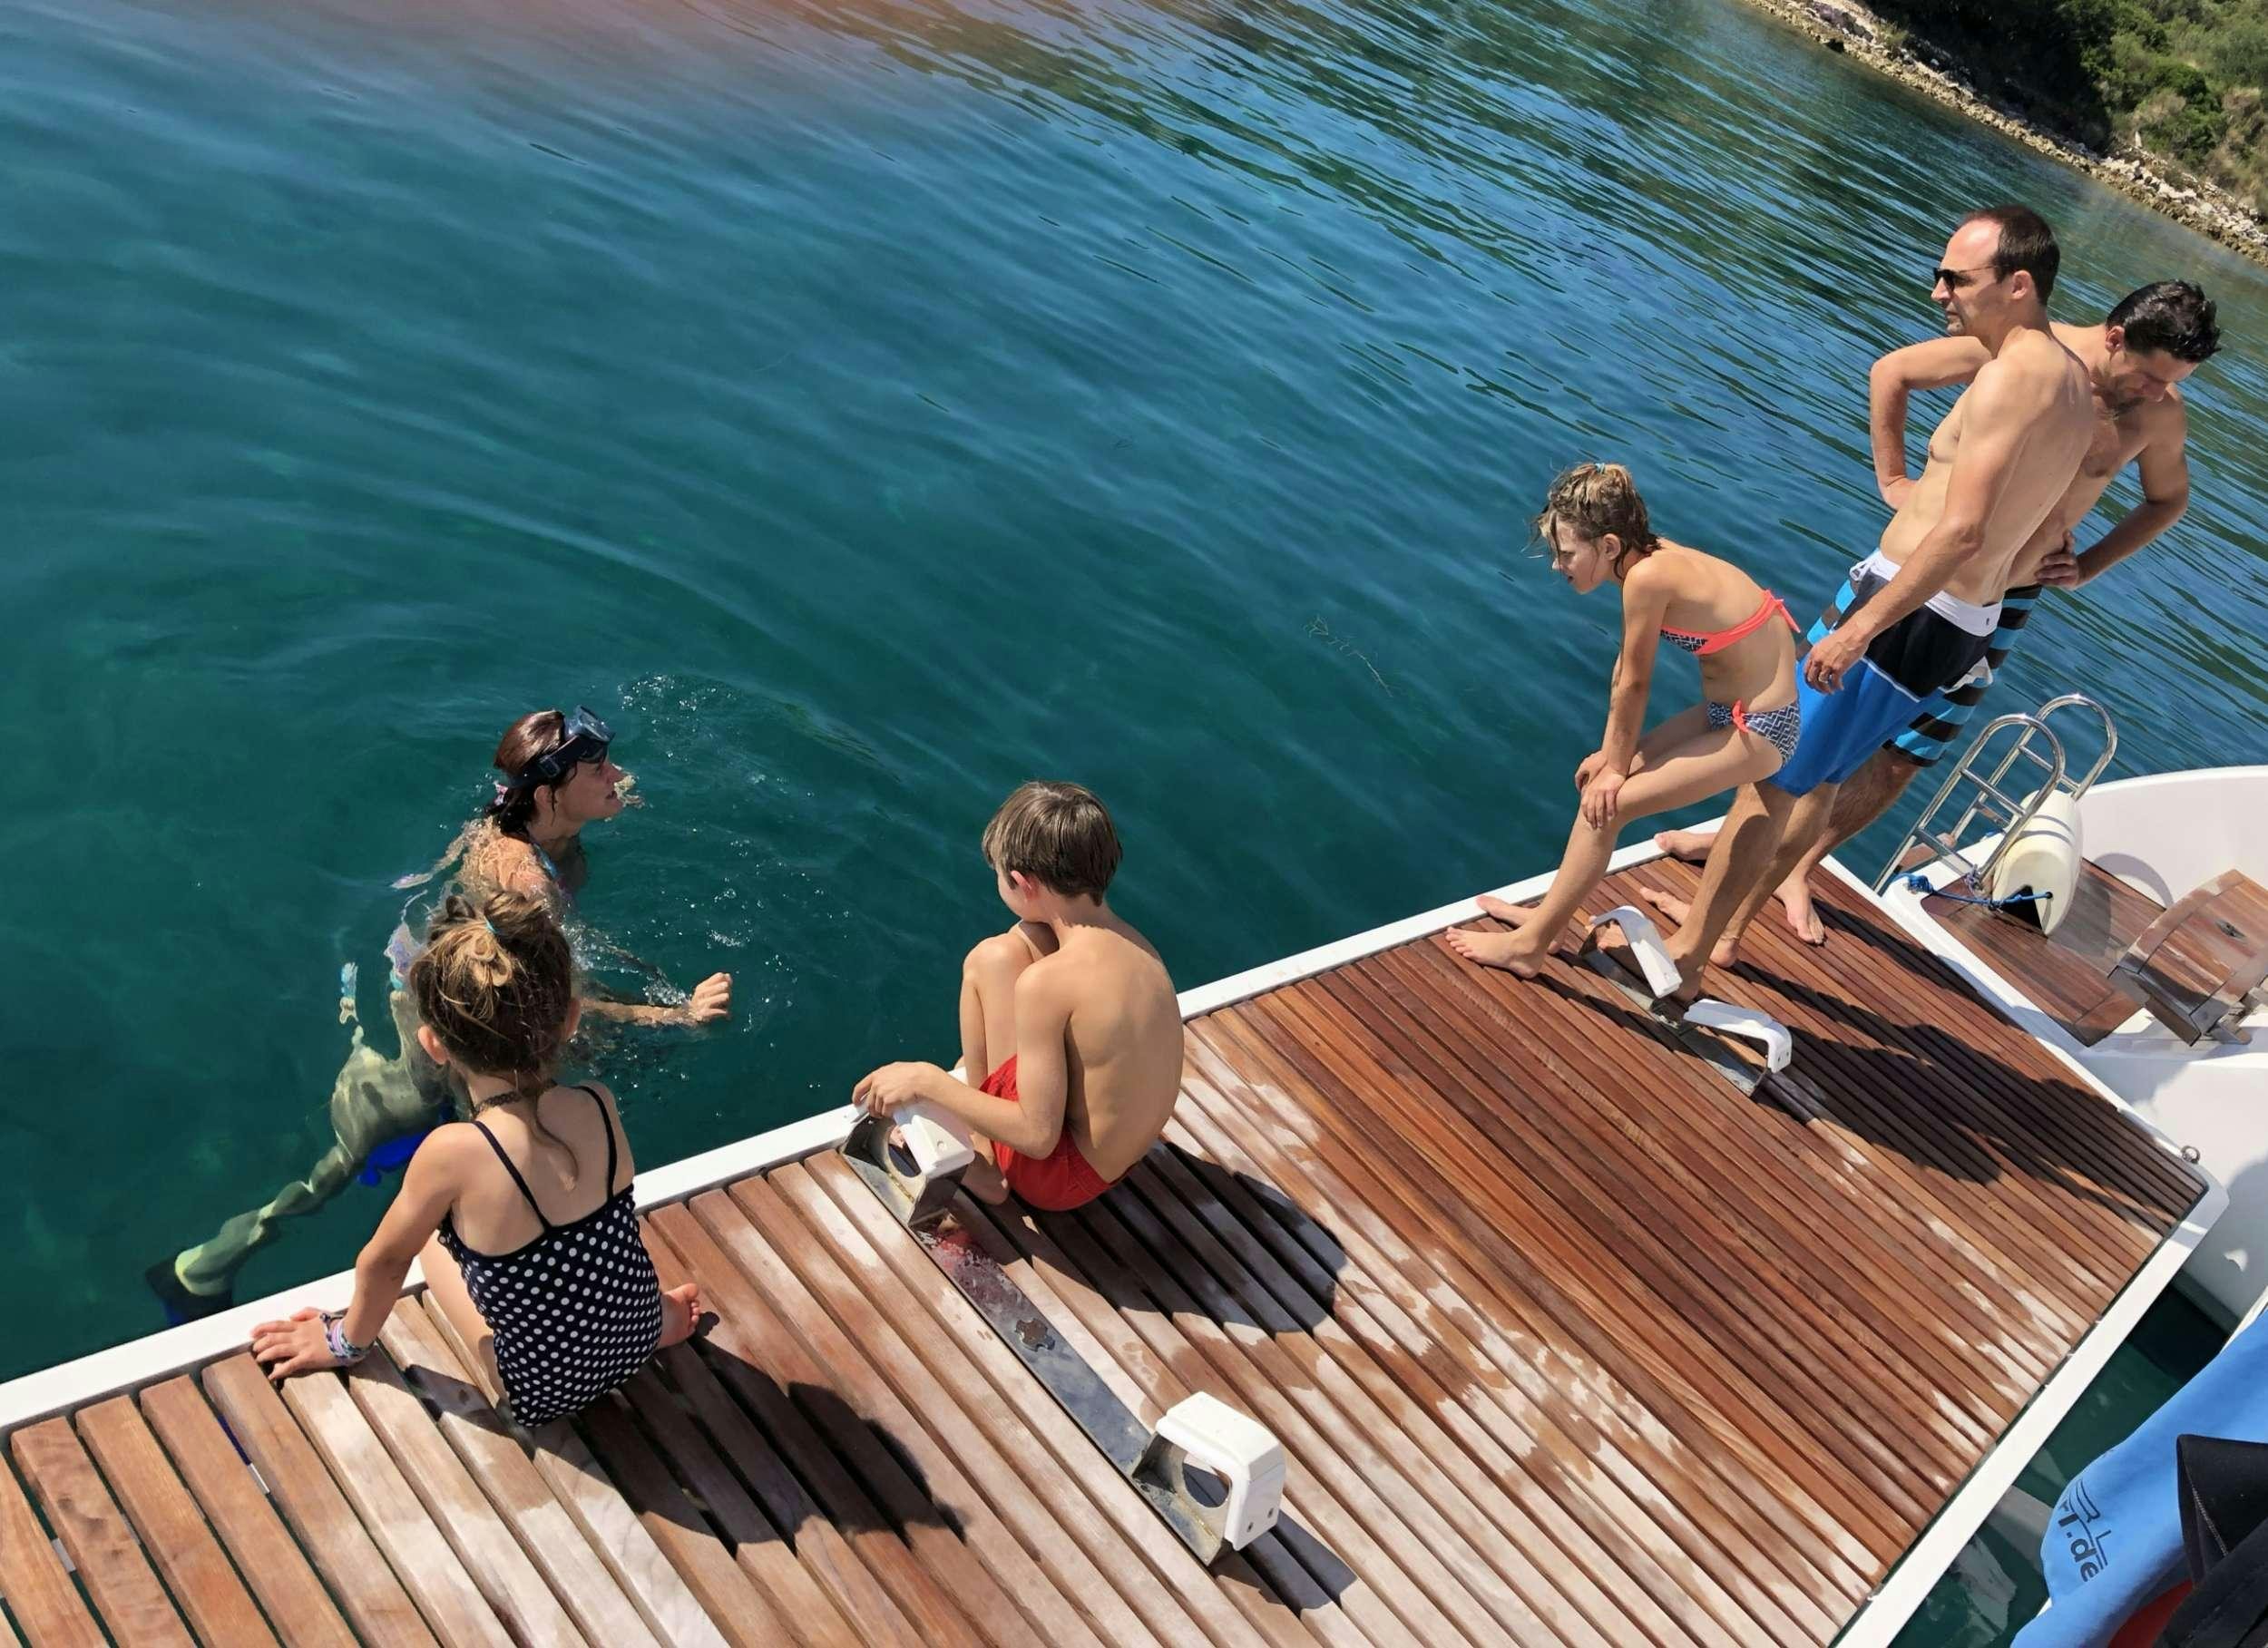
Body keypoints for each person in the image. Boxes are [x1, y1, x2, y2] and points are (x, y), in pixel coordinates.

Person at [1655, 281, 2222, 946]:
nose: (2160, 394)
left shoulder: (2159, 415)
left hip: (2002, 604)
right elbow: (1893, 372)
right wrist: (1896, 484)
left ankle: (1795, 868)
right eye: (2154, 377)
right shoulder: (2030, 355)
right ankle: (1729, 846)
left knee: (1904, 755)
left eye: (2174, 383)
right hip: (1918, 576)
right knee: (1796, 718)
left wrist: (2090, 564)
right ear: (2117, 337)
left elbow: (2167, 499)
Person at [1635, 205, 2096, 1004]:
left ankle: (1687, 955)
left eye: (1957, 278)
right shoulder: (2071, 385)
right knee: (1805, 779)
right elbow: (2038, 524)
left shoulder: (2018, 377)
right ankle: (1710, 936)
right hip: (1953, 624)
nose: (1938, 291)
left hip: (1909, 614)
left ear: (2019, 285)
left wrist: (1859, 631)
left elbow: (1961, 531)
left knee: (1766, 773)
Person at [149, 707, 731, 1321]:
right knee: (352, 1153)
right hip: (440, 1008)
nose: (618, 774)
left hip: (439, 963)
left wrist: (611, 793)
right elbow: (559, 1001)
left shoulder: (517, 815)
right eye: (599, 769)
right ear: (547, 794)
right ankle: (201, 1269)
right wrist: (677, 1015)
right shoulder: (525, 879)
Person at [250, 891, 699, 1426]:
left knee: (432, 1250)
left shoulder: (453, 1152)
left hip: (543, 1394)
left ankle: (618, 1335)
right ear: (571, 1019)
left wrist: (345, 1341)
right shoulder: (597, 1104)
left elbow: (383, 1263)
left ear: (434, 1045)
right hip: (638, 1329)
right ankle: (662, 1320)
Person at [1444, 462, 1800, 976]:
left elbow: (1635, 683)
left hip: (1760, 728)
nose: (1556, 565)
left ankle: (1531, 947)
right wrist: (1613, 757)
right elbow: (1623, 669)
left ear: (1609, 547)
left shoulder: (1648, 578)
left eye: (1566, 553)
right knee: (1604, 780)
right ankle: (1545, 917)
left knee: (1605, 807)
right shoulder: (1651, 555)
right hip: (1729, 711)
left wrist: (1617, 766)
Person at [851, 781, 1182, 1213]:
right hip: (1119, 1159)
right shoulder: (1137, 946)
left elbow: (1037, 1138)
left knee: (982, 961)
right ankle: (982, 1113)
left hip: (1062, 1178)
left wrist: (926, 1080)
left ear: (1022, 883)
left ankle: (985, 1162)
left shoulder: (1046, 984)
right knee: (1003, 952)